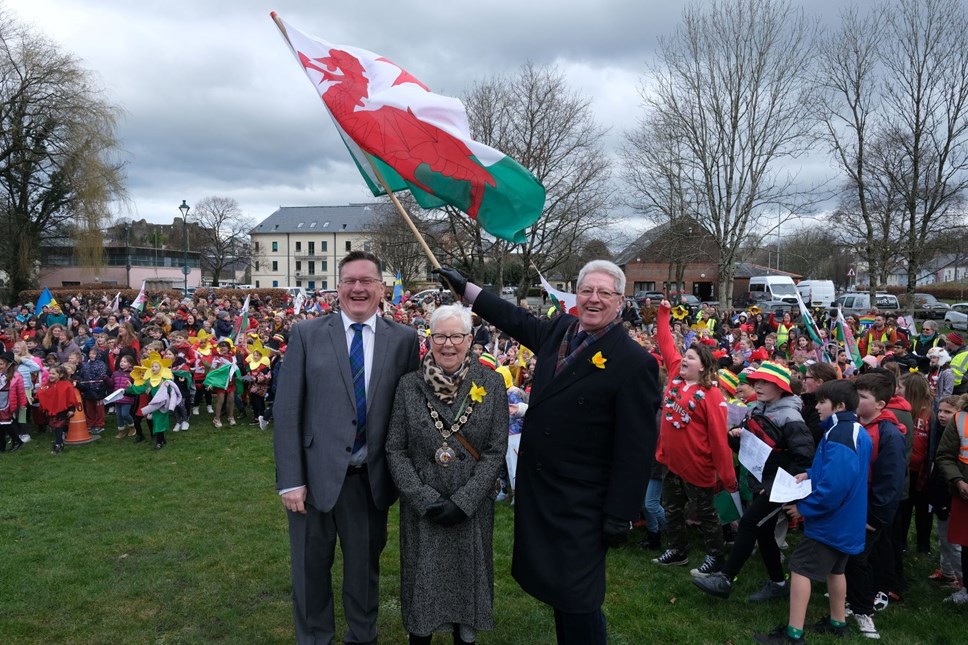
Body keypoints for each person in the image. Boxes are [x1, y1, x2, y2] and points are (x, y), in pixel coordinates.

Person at [435, 261, 660, 645]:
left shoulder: (634, 363)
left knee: (578, 598)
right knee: (562, 593)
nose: (593, 299)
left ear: (619, 302)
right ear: (577, 295)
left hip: (585, 502)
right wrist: (467, 288)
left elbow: (635, 449)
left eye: (604, 293)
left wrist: (620, 513)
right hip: (544, 491)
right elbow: (514, 318)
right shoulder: (560, 330)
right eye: (587, 290)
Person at [274, 251, 420, 645]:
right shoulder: (306, 334)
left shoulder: (404, 340)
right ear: (337, 288)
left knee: (364, 575)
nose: (358, 289)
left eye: (367, 281)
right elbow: (287, 411)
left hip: (369, 482)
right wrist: (290, 480)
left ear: (381, 288)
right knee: (310, 572)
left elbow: (410, 411)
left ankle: (362, 637)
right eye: (350, 281)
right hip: (312, 481)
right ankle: (315, 638)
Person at [385, 304, 508, 644]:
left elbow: (496, 451)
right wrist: (423, 499)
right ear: (430, 340)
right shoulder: (409, 386)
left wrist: (465, 501)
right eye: (440, 336)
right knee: (423, 591)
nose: (448, 344)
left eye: (456, 336)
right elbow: (396, 449)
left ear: (470, 340)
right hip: (424, 509)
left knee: (466, 592)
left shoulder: (492, 384)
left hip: (471, 510)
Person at [753, 380, 872, 644]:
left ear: (839, 406)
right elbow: (841, 472)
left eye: (821, 402)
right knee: (836, 570)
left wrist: (803, 507)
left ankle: (794, 633)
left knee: (800, 569)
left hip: (830, 522)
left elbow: (834, 487)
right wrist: (811, 473)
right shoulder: (854, 430)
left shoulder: (840, 435)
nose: (816, 407)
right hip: (848, 521)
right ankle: (837, 623)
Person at [693, 362, 815, 603]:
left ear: (780, 388)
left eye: (764, 382)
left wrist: (774, 487)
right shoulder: (757, 409)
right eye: (756, 382)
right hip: (760, 483)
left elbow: (805, 458)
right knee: (763, 532)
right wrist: (736, 437)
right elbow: (749, 448)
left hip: (778, 487)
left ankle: (725, 578)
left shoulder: (790, 416)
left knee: (749, 524)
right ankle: (778, 583)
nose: (757, 386)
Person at [651, 300, 737, 576]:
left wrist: (726, 476)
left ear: (703, 367)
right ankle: (677, 550)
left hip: (698, 467)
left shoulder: (711, 396)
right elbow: (664, 340)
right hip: (670, 461)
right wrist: (663, 313)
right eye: (684, 354)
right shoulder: (675, 374)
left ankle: (716, 558)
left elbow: (718, 438)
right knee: (672, 508)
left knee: (706, 514)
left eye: (691, 357)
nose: (684, 358)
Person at [843, 371, 906, 640]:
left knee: (859, 559)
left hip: (870, 512)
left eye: (863, 397)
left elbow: (890, 481)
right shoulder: (856, 423)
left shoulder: (889, 434)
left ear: (880, 404)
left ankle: (863, 609)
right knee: (849, 557)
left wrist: (877, 517)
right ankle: (850, 597)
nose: (856, 400)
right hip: (851, 505)